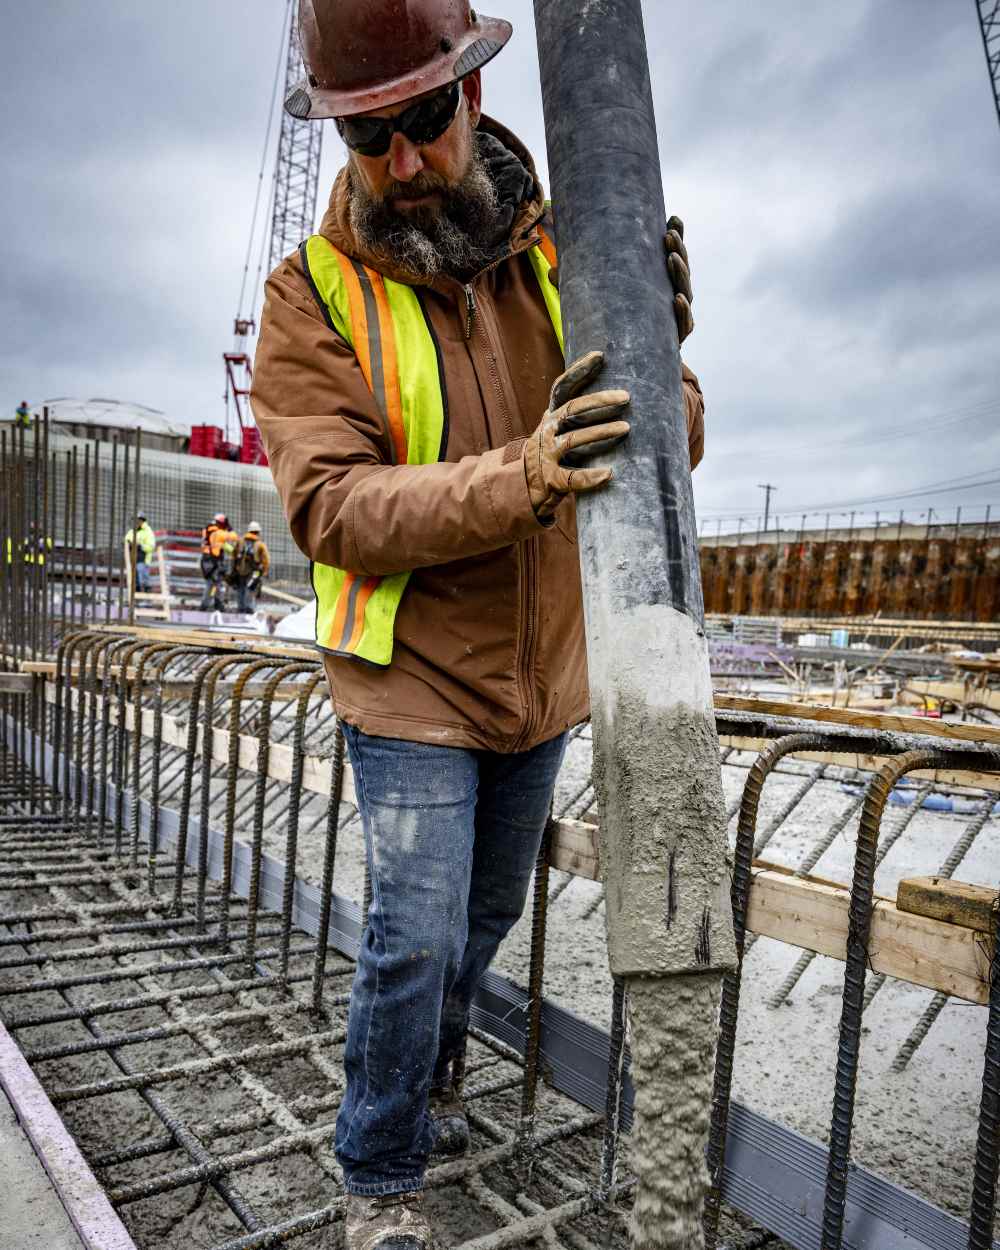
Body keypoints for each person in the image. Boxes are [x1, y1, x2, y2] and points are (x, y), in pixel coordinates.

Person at [251, 5, 703, 1246]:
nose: (400, 159)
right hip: (410, 674)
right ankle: (377, 1171)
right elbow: (328, 505)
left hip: (541, 673)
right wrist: (525, 474)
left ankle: (434, 1068)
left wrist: (661, 352)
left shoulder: (566, 250)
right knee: (416, 932)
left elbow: (675, 448)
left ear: (470, 89)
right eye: (367, 134)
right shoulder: (312, 297)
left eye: (420, 120)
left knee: (485, 913)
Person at [199, 512, 238, 611]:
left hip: (208, 561)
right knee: (213, 584)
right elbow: (234, 537)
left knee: (216, 583)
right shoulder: (218, 533)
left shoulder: (210, 531)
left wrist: (234, 551)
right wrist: (230, 528)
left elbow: (223, 546)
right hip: (212, 562)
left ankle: (215, 604)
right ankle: (207, 605)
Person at [233, 521, 270, 613]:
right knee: (250, 588)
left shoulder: (240, 541)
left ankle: (240, 608)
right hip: (253, 572)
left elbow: (234, 554)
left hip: (240, 570)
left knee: (241, 588)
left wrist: (235, 567)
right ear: (258, 532)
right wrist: (265, 571)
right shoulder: (260, 544)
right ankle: (249, 609)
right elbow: (266, 560)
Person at [124, 512, 156, 593]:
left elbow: (151, 546)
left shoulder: (148, 531)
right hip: (133, 560)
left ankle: (146, 598)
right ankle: (136, 599)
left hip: (143, 560)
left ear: (142, 521)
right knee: (135, 581)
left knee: (143, 579)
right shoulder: (131, 532)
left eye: (137, 520)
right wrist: (129, 544)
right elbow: (125, 541)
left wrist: (140, 546)